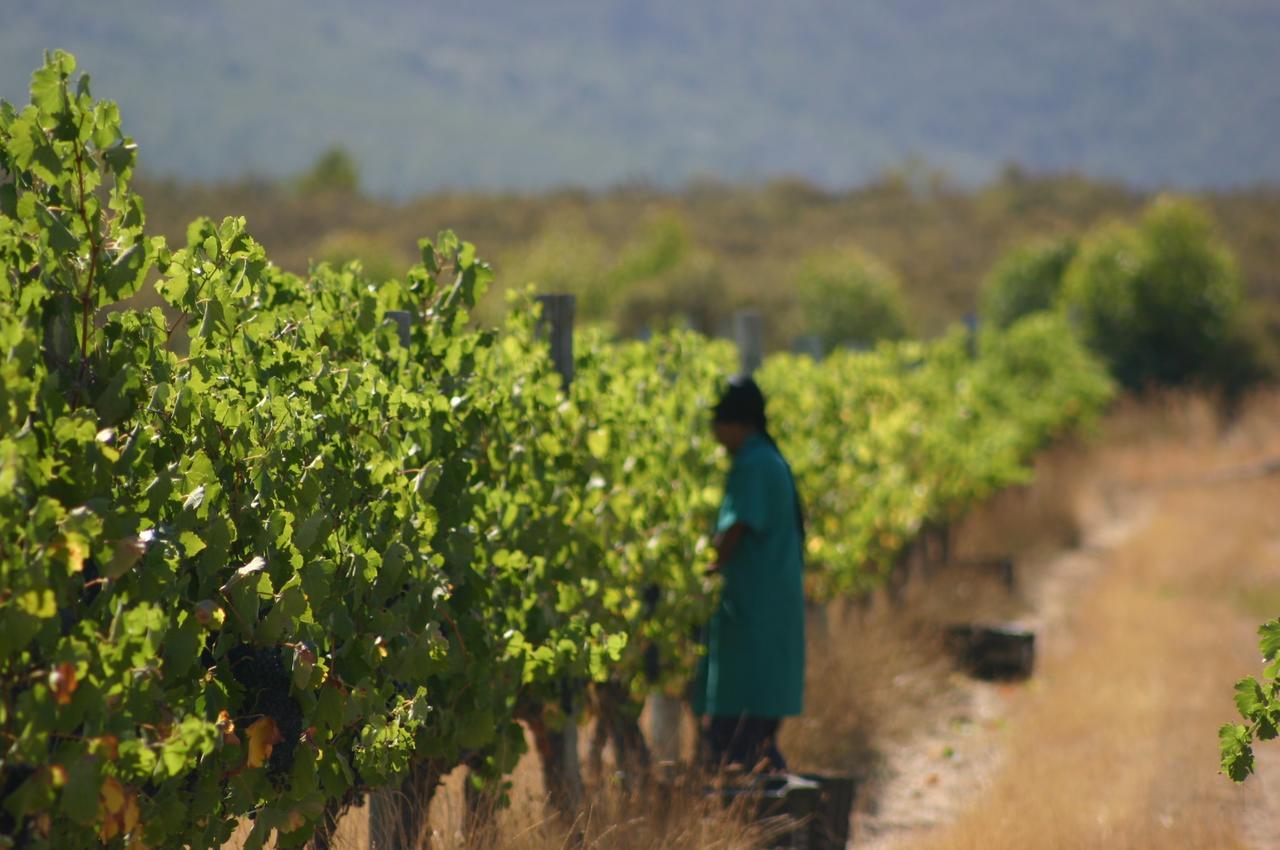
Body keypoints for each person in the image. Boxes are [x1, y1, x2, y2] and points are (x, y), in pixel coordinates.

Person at [694, 375, 806, 772]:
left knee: (737, 742)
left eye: (718, 422)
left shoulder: (753, 465)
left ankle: (765, 827)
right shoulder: (768, 459)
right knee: (753, 741)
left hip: (754, 620)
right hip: (768, 619)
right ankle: (773, 822)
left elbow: (734, 530)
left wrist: (698, 575)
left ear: (736, 423)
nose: (713, 432)